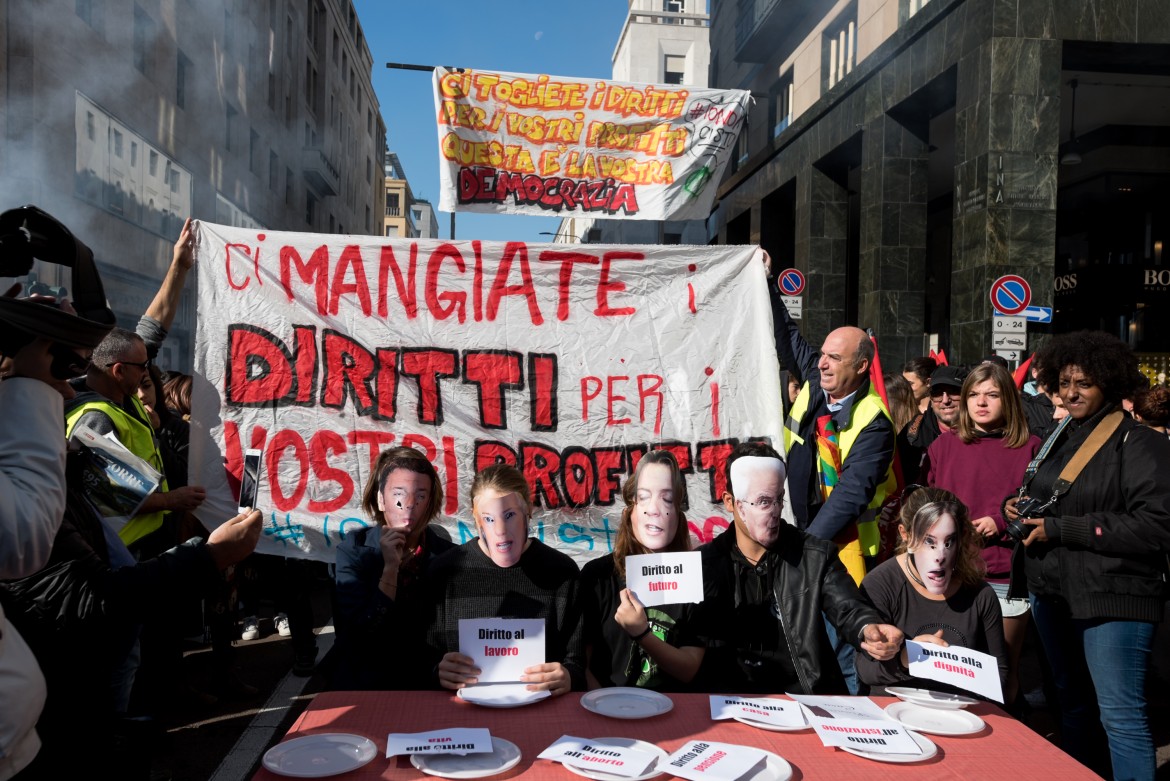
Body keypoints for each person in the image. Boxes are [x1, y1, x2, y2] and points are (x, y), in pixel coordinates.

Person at [1012, 330, 1170, 780]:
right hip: (1055, 592)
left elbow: (1157, 525)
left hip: (1113, 598)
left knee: (1120, 717)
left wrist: (1061, 528)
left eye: (1084, 382)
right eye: (1064, 383)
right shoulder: (1061, 434)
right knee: (1073, 706)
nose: (1071, 392)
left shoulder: (1141, 443)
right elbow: (1051, 495)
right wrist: (1017, 505)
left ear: (1111, 384)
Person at [695, 442, 903, 694]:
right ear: (731, 502)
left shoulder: (814, 555)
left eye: (778, 500)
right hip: (730, 701)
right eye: (762, 502)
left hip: (804, 697)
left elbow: (847, 605)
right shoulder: (705, 565)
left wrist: (868, 628)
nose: (774, 512)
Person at [925, 363, 1039, 708]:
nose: (981, 402)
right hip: (953, 572)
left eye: (991, 394)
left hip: (1005, 572)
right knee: (952, 668)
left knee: (1001, 670)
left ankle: (1005, 745)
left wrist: (1001, 523)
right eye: (973, 394)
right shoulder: (943, 446)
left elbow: (1040, 506)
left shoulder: (1031, 447)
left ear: (1008, 399)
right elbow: (928, 504)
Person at [770, 285, 896, 584]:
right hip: (796, 528)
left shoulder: (875, 422)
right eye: (823, 354)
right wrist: (766, 279)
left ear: (862, 366)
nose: (822, 363)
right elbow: (788, 337)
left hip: (845, 549)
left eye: (834, 357)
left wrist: (803, 546)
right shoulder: (816, 382)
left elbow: (850, 494)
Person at [430, 465, 585, 696]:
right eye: (489, 519)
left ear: (527, 512)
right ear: (477, 520)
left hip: (540, 712)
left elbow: (577, 662)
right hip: (461, 715)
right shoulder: (445, 572)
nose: (501, 531)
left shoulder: (562, 572)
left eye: (509, 515)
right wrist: (436, 672)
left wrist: (567, 676)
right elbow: (420, 659)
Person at [855, 487, 1007, 694]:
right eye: (929, 541)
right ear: (906, 535)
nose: (940, 556)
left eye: (949, 542)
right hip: (894, 711)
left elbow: (999, 676)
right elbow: (865, 670)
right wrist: (905, 659)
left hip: (959, 717)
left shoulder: (980, 595)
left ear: (961, 538)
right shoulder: (880, 585)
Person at [333, 447, 455, 690]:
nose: (408, 507)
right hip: (369, 684)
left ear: (430, 502)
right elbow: (357, 635)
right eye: (399, 495)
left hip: (429, 683)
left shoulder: (447, 554)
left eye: (420, 496)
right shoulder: (354, 550)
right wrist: (390, 569)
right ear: (381, 499)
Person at [581, 450, 704, 690]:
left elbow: (689, 669)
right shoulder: (597, 576)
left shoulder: (695, 579)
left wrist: (642, 634)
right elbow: (580, 664)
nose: (654, 510)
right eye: (644, 498)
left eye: (667, 499)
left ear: (678, 514)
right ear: (630, 512)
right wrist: (607, 706)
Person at [898, 364, 966, 485]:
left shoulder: (983, 433)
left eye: (953, 392)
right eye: (938, 393)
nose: (945, 400)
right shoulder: (913, 433)